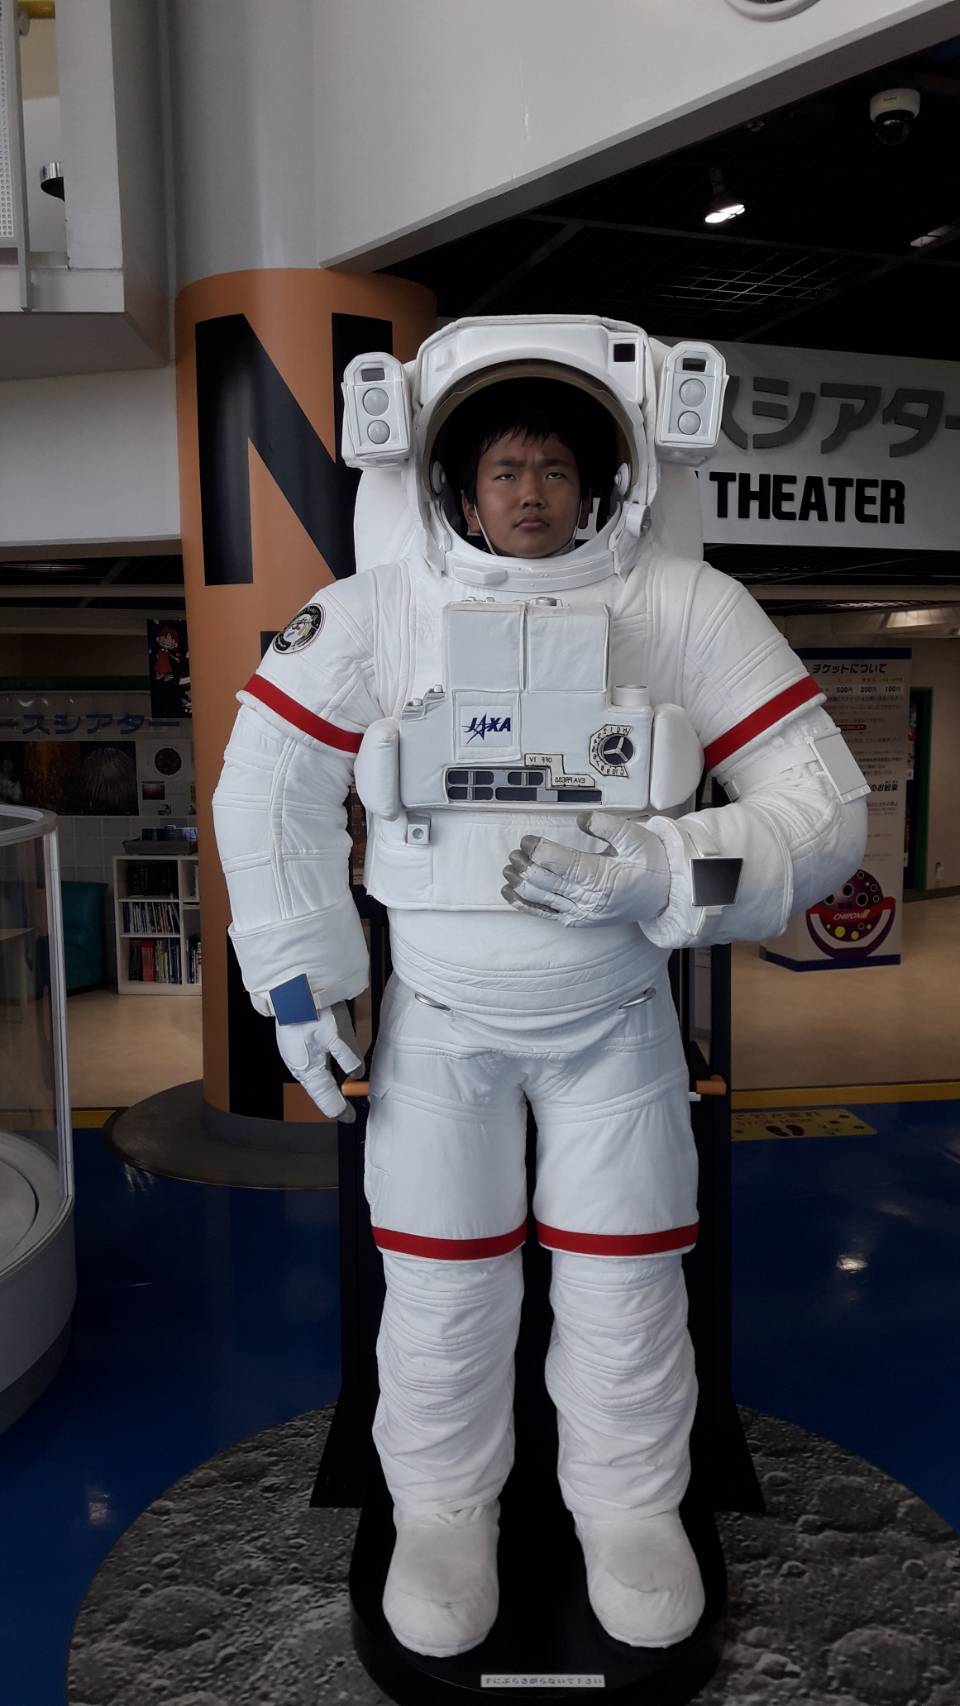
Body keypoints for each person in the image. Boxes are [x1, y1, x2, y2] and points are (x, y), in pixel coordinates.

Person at [212, 317, 868, 1661]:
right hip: (441, 1024)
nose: (531, 492)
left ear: (604, 480)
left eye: (557, 469)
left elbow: (826, 816)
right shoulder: (378, 611)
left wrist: (661, 866)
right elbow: (266, 788)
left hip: (613, 1018)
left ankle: (630, 1507)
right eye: (504, 468)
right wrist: (300, 983)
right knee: (440, 1285)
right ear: (455, 488)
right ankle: (441, 1512)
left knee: (627, 1286)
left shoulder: (684, 607)